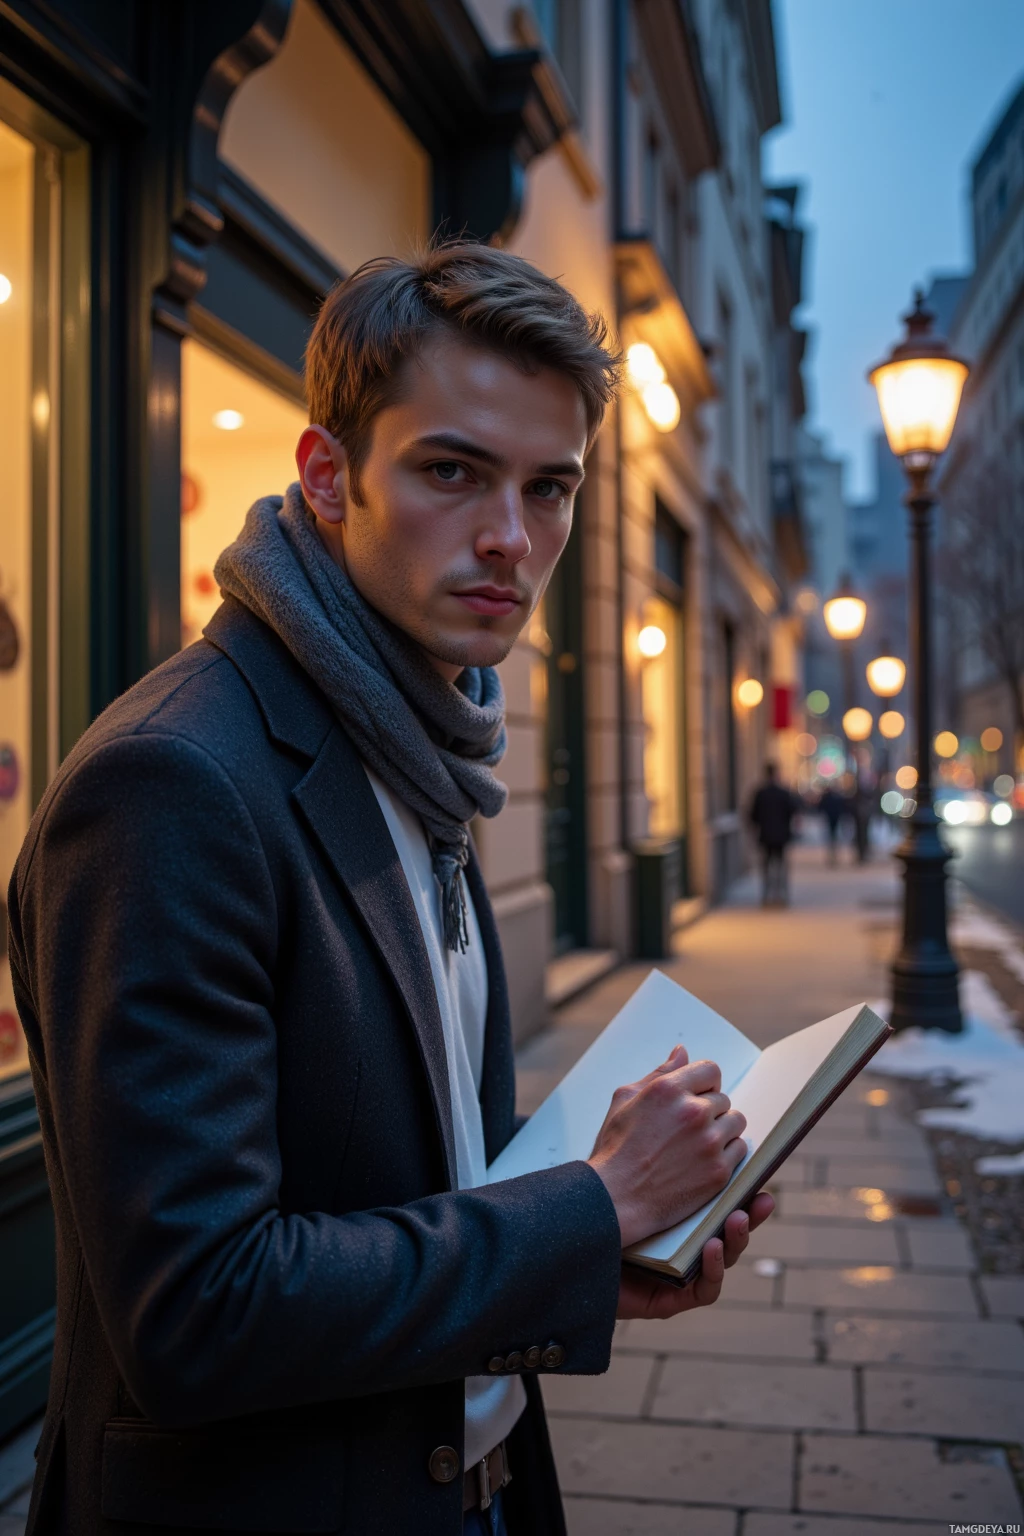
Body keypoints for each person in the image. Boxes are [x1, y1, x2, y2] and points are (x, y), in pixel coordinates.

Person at [8, 243, 773, 1536]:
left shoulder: (425, 742)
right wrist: (588, 1206)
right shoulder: (174, 782)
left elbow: (398, 1163)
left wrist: (595, 1245)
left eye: (551, 489)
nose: (510, 539)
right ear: (326, 479)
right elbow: (197, 1313)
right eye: (452, 471)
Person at [748, 762, 798, 906]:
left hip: (765, 835)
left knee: (767, 866)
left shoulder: (760, 793)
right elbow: (793, 810)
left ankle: (767, 895)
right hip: (781, 835)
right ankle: (781, 895)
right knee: (781, 866)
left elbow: (753, 815)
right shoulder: (783, 792)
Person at [819, 783, 845, 866]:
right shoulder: (836, 797)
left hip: (832, 819)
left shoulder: (827, 797)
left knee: (832, 838)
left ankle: (833, 856)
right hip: (834, 819)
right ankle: (833, 856)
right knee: (833, 838)